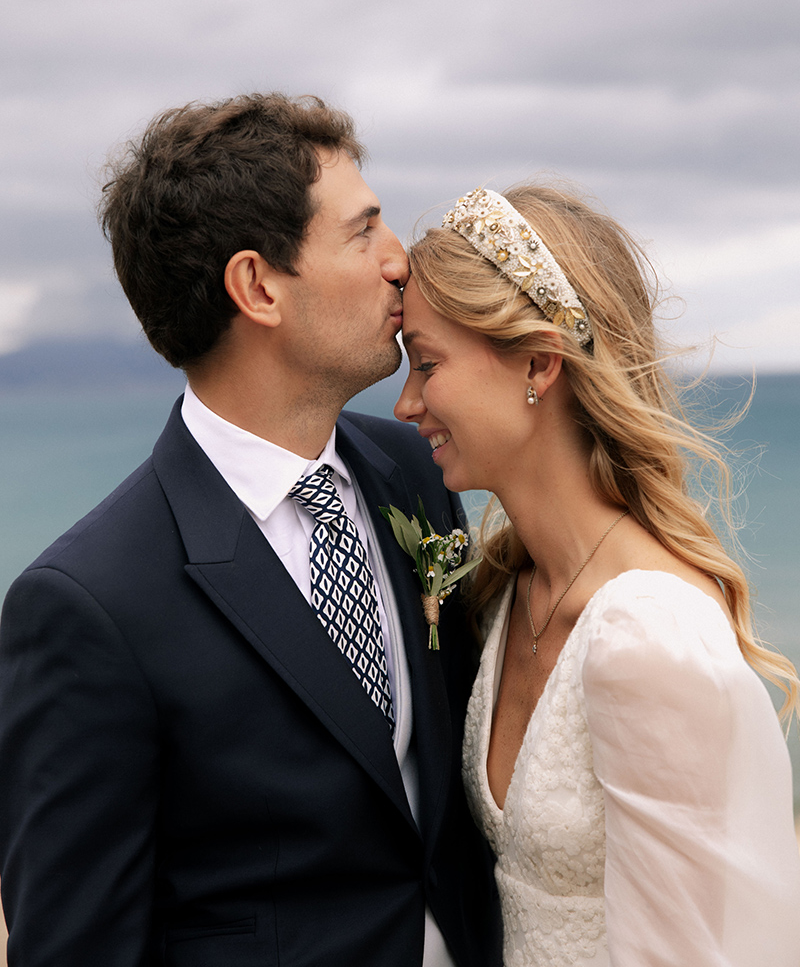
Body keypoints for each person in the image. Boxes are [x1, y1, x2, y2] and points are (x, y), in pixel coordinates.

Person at [0, 95, 501, 967]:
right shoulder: (88, 605)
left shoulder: (413, 472)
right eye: (363, 232)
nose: (401, 263)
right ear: (257, 286)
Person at [394, 183, 800, 966]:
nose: (407, 403)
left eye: (429, 363)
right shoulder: (512, 593)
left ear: (539, 364)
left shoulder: (648, 639)